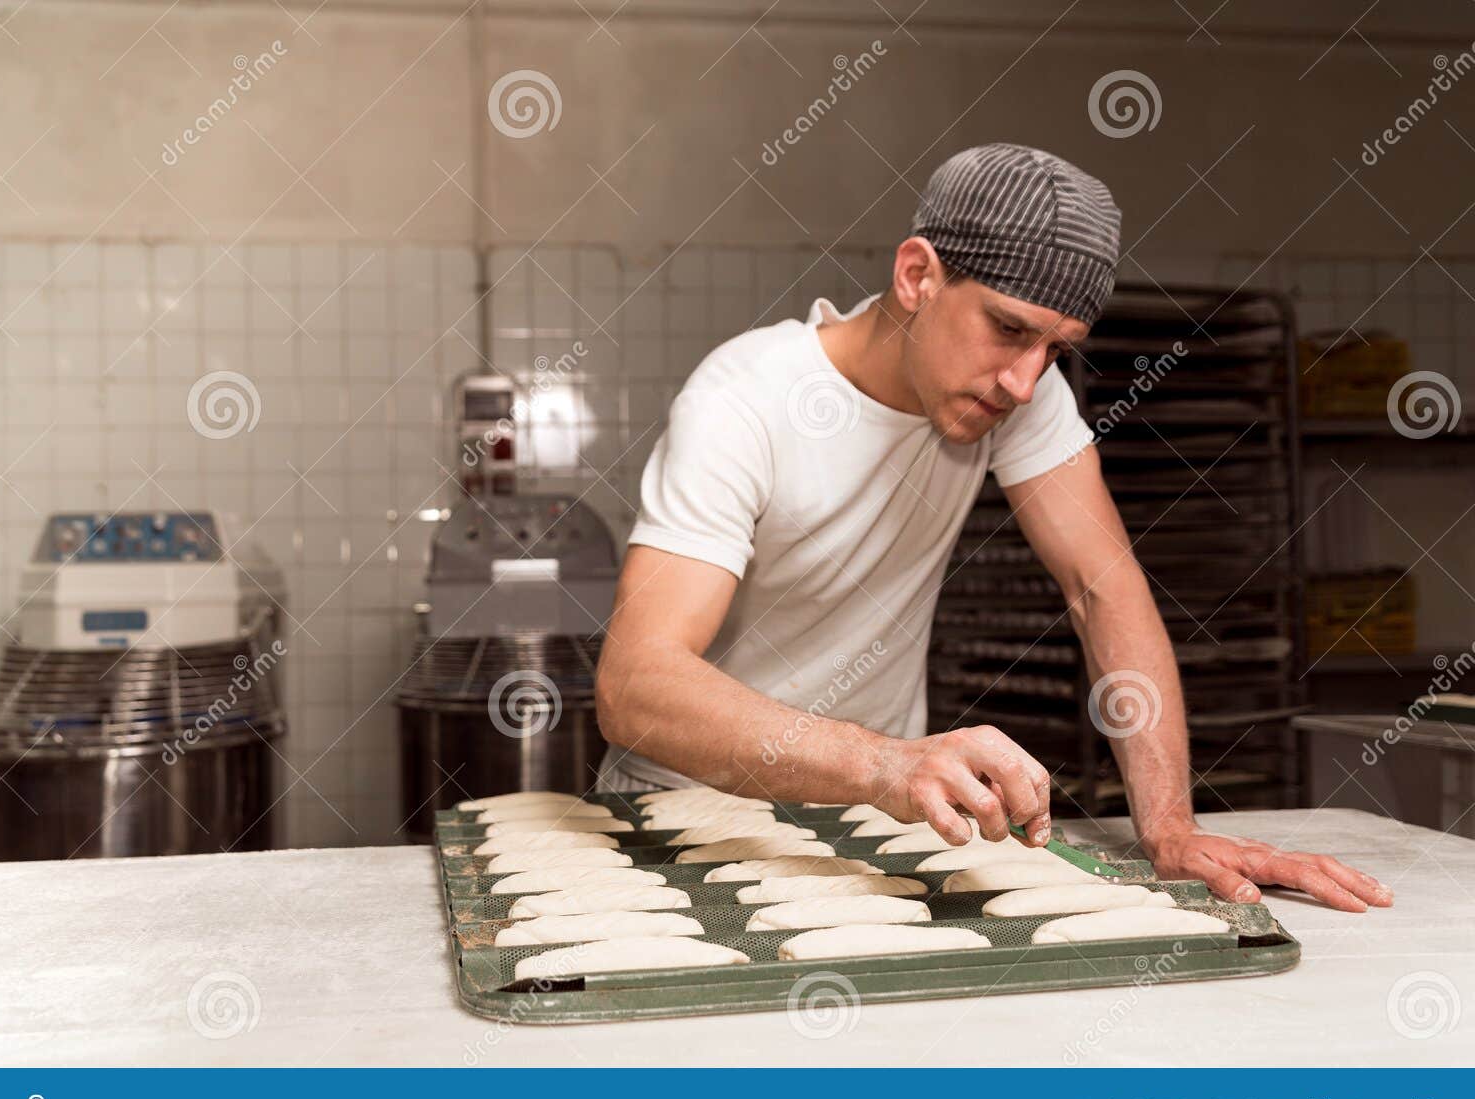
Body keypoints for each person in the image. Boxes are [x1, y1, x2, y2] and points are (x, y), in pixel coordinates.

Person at [593, 142, 1393, 914]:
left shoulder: (1018, 393)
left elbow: (1101, 585)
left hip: (867, 828)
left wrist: (1170, 828)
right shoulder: (746, 401)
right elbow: (636, 683)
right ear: (917, 276)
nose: (1024, 380)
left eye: (1056, 350)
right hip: (681, 825)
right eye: (1008, 330)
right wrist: (883, 762)